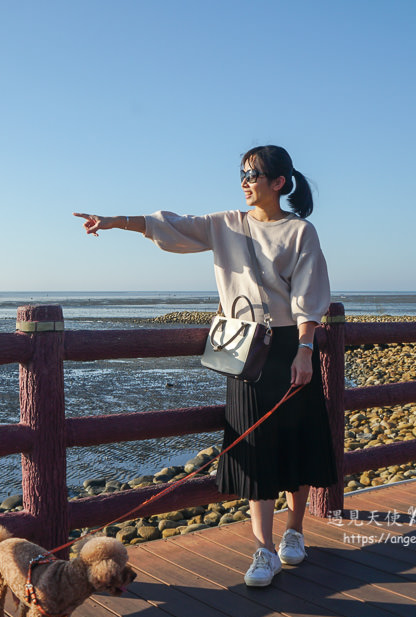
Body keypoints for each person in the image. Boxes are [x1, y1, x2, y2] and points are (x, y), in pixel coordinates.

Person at [74, 145, 336, 588]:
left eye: (253, 173)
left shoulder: (300, 232)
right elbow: (169, 224)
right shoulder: (226, 224)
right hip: (246, 348)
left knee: (299, 438)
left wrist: (306, 350)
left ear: (279, 182)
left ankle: (295, 532)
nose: (244, 180)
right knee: (253, 445)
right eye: (242, 172)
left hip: (290, 344)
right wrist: (116, 222)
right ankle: (264, 550)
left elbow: (309, 295)